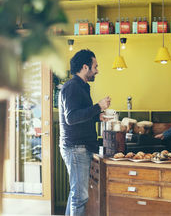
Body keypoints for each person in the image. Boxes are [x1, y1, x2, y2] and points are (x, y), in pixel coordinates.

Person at [59, 49, 111, 216]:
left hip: (80, 147)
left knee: (76, 195)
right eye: (95, 66)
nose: (97, 70)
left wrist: (98, 116)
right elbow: (72, 118)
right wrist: (98, 107)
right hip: (76, 148)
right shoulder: (72, 87)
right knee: (79, 197)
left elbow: (81, 113)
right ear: (85, 67)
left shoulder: (81, 86)